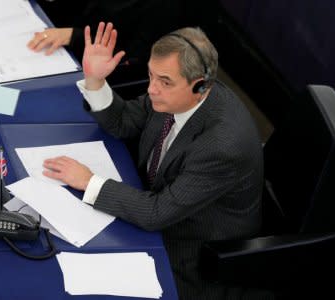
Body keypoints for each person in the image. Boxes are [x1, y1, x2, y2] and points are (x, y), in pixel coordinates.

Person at [43, 22, 264, 299]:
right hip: (154, 207)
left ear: (201, 86)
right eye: (151, 75)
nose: (152, 89)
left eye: (165, 82)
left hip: (189, 253)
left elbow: (156, 214)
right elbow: (123, 122)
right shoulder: (174, 97)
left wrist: (89, 181)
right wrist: (96, 81)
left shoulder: (222, 146)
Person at [29, 0, 180, 85]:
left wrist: (75, 35)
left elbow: (133, 45)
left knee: (18, 103)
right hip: (55, 45)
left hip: (100, 69)